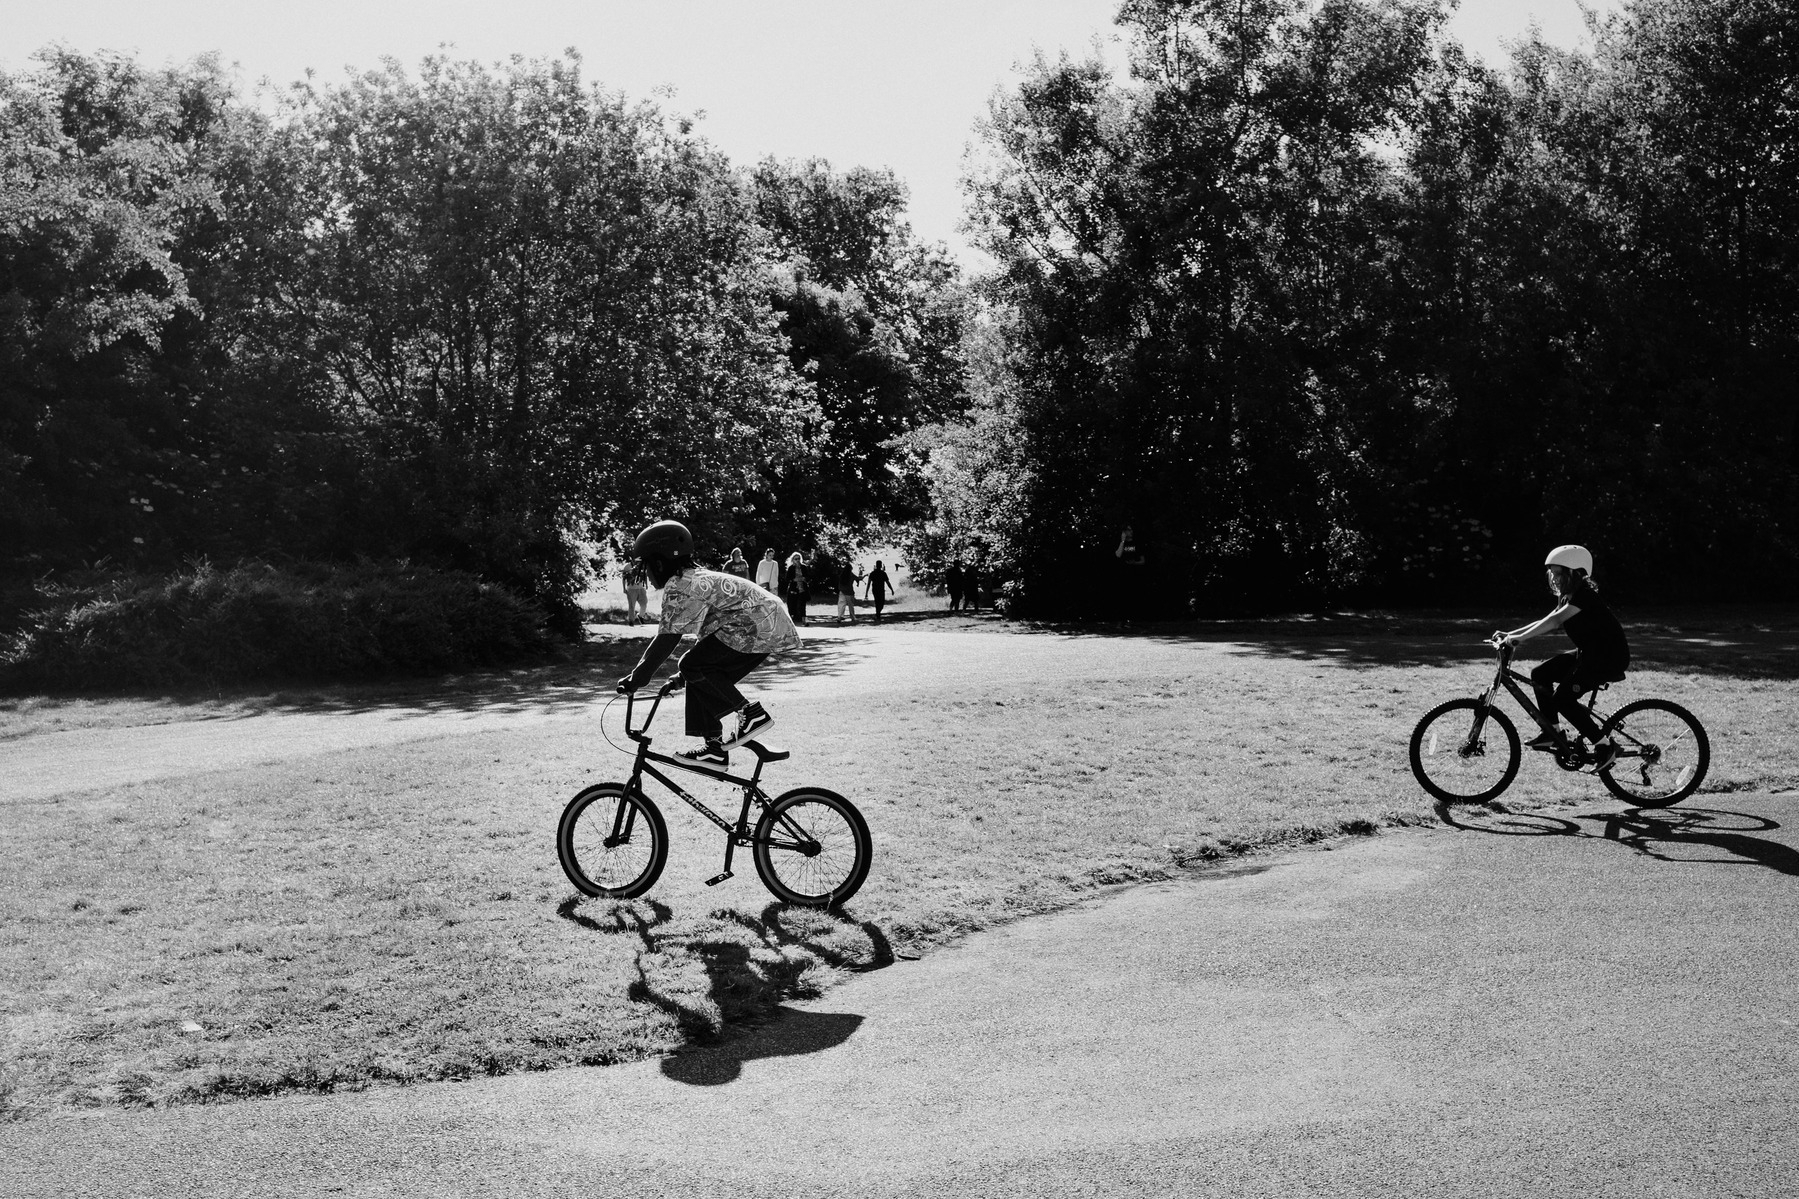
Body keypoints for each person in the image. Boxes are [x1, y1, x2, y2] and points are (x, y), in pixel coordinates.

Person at [615, 520, 800, 772]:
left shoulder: (679, 584)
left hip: (757, 622)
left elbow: (668, 637)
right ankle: (714, 749)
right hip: (766, 621)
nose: (646, 574)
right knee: (695, 672)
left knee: (691, 664)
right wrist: (681, 678)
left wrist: (638, 677)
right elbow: (709, 643)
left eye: (646, 567)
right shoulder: (692, 579)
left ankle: (751, 714)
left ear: (659, 563)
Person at [1499, 544, 1630, 768]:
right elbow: (1546, 619)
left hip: (1607, 658)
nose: (1554, 578)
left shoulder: (1585, 596)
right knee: (1540, 674)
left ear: (1576, 573)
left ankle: (1604, 746)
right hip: (1589, 654)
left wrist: (1517, 640)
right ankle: (1552, 732)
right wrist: (1511, 635)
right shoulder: (1568, 597)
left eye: (1560, 573)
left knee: (1563, 699)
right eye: (1552, 572)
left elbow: (1555, 622)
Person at [781, 552, 810, 625]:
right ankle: (791, 621)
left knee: (802, 605)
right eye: (796, 559)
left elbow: (808, 577)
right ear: (793, 560)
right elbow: (787, 579)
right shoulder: (791, 568)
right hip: (793, 588)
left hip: (802, 588)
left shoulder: (804, 567)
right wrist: (794, 579)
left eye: (799, 558)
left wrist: (804, 579)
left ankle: (804, 620)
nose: (797, 560)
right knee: (792, 605)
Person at [621, 561, 650, 626]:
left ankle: (640, 615)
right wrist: (624, 588)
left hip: (641, 588)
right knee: (632, 606)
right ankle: (631, 621)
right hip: (631, 589)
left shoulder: (641, 565)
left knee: (644, 603)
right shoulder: (627, 567)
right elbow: (624, 578)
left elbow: (644, 575)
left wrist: (646, 584)